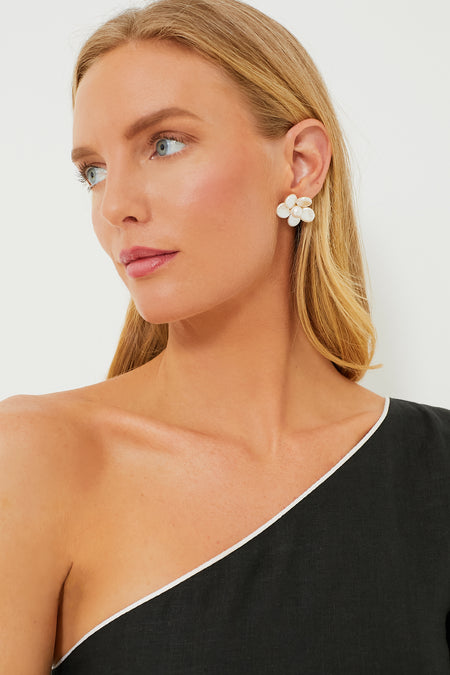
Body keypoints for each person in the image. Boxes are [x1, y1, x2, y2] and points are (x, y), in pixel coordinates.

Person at [0, 0, 448, 672]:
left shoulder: (435, 472)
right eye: (93, 171)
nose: (116, 204)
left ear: (301, 163)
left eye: (164, 144)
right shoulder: (35, 458)